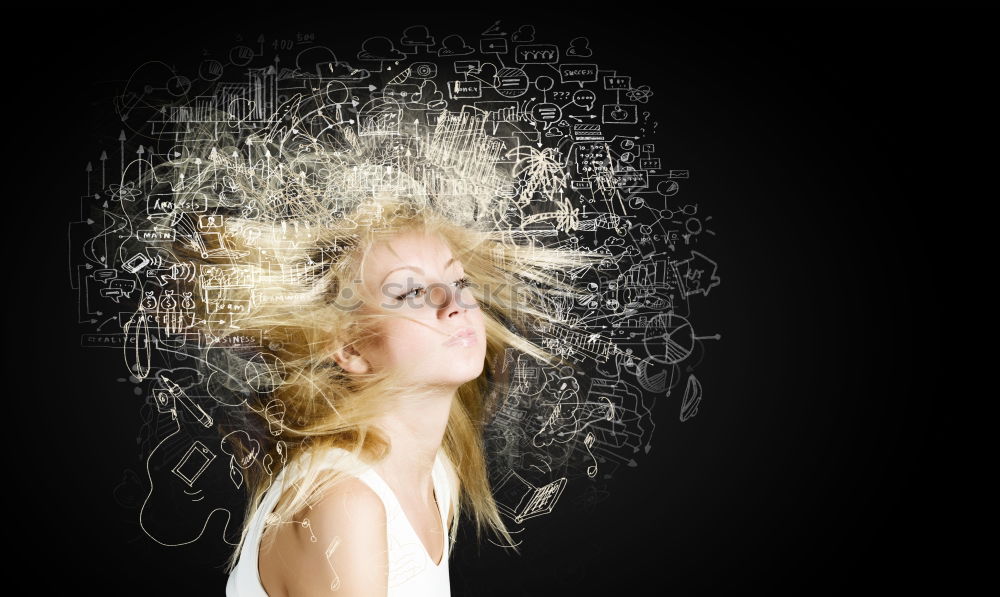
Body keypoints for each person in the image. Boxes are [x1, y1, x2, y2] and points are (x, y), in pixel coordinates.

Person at [119, 97, 604, 596]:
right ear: (349, 347)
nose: (453, 303)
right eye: (411, 291)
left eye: (458, 281)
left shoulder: (436, 471)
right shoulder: (346, 505)